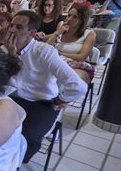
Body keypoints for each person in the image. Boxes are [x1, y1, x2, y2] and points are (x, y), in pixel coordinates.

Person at [5, 10, 87, 163]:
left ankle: (13, 166)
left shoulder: (44, 52)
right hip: (12, 98)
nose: (12, 30)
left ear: (32, 32)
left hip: (41, 104)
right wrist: (11, 55)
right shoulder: (7, 48)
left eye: (18, 27)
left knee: (26, 138)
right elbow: (1, 78)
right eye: (11, 26)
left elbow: (78, 86)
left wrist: (60, 100)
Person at [46, 5, 96, 83]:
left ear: (82, 20)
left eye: (75, 17)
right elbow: (46, 48)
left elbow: (81, 57)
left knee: (65, 78)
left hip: (79, 67)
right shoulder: (63, 30)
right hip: (59, 63)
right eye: (69, 15)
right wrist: (57, 32)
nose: (69, 19)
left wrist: (59, 53)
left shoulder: (89, 34)